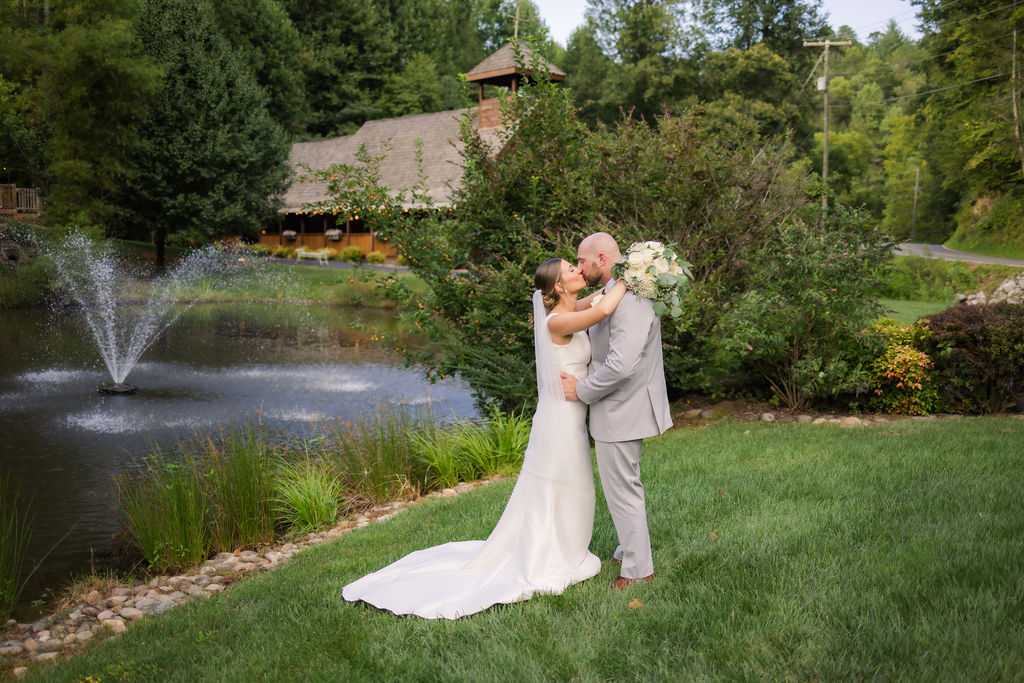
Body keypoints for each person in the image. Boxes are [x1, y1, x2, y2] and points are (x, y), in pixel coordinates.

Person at [341, 258, 627, 619]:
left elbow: (597, 299)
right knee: (563, 484)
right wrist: (635, 277)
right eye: (571, 270)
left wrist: (615, 281)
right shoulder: (557, 321)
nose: (577, 272)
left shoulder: (568, 307)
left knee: (574, 485)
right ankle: (549, 553)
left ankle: (562, 545)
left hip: (569, 415)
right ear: (558, 287)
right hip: (559, 420)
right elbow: (602, 310)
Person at [560, 232, 673, 589]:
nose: (579, 267)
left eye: (582, 261)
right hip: (618, 407)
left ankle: (639, 571)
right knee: (621, 485)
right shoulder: (613, 291)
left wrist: (581, 390)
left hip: (625, 406)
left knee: (623, 488)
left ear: (602, 260)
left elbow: (621, 365)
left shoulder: (634, 297)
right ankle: (629, 549)